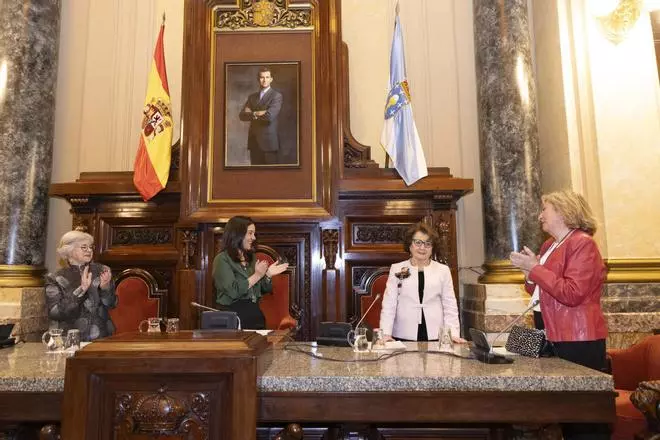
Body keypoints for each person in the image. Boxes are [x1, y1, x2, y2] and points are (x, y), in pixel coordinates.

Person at [510, 190, 608, 440]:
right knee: (564, 413)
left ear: (564, 212)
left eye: (545, 209)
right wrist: (529, 271)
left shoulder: (582, 243)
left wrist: (535, 268)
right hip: (552, 332)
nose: (540, 215)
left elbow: (572, 293)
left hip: (577, 339)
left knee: (583, 418)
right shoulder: (549, 245)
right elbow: (538, 290)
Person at [379, 222, 465, 343]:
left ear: (432, 248)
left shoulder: (443, 270)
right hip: (403, 334)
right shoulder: (397, 269)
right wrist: (386, 333)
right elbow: (389, 305)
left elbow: (450, 305)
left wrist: (453, 334)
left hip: (436, 335)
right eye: (418, 242)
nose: (422, 247)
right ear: (410, 245)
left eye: (427, 244)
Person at [212, 216, 288, 329]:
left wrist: (267, 275)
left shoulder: (251, 258)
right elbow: (234, 291)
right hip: (233, 318)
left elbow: (261, 290)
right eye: (250, 233)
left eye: (254, 234)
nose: (253, 237)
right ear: (237, 234)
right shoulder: (221, 259)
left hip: (255, 315)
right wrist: (257, 275)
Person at [45, 230, 117, 341]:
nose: (89, 250)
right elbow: (55, 313)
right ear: (69, 250)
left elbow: (112, 304)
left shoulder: (102, 270)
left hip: (101, 337)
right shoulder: (55, 278)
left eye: (90, 247)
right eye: (84, 247)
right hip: (70, 339)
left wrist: (105, 288)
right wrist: (81, 290)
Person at [238, 66, 283, 165]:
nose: (264, 80)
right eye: (262, 77)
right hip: (254, 142)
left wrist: (251, 113)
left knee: (271, 176)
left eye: (267, 77)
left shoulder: (276, 96)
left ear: (271, 79)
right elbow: (242, 115)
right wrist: (257, 113)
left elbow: (269, 117)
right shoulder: (252, 97)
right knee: (255, 175)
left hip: (269, 143)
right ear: (258, 79)